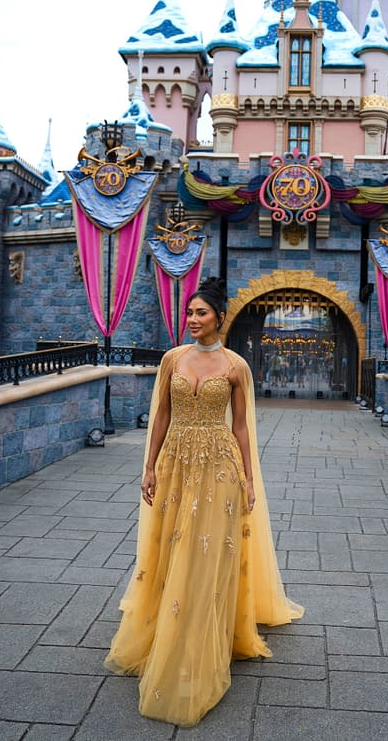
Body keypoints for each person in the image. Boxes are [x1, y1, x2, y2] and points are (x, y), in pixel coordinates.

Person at [104, 277, 303, 726]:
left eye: (201, 313)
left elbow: (241, 428)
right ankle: (164, 626)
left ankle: (205, 634)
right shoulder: (173, 358)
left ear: (220, 318)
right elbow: (162, 415)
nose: (192, 320)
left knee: (207, 552)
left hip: (218, 467)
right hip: (175, 463)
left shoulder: (236, 367)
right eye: (189, 312)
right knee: (171, 544)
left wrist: (250, 479)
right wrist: (150, 466)